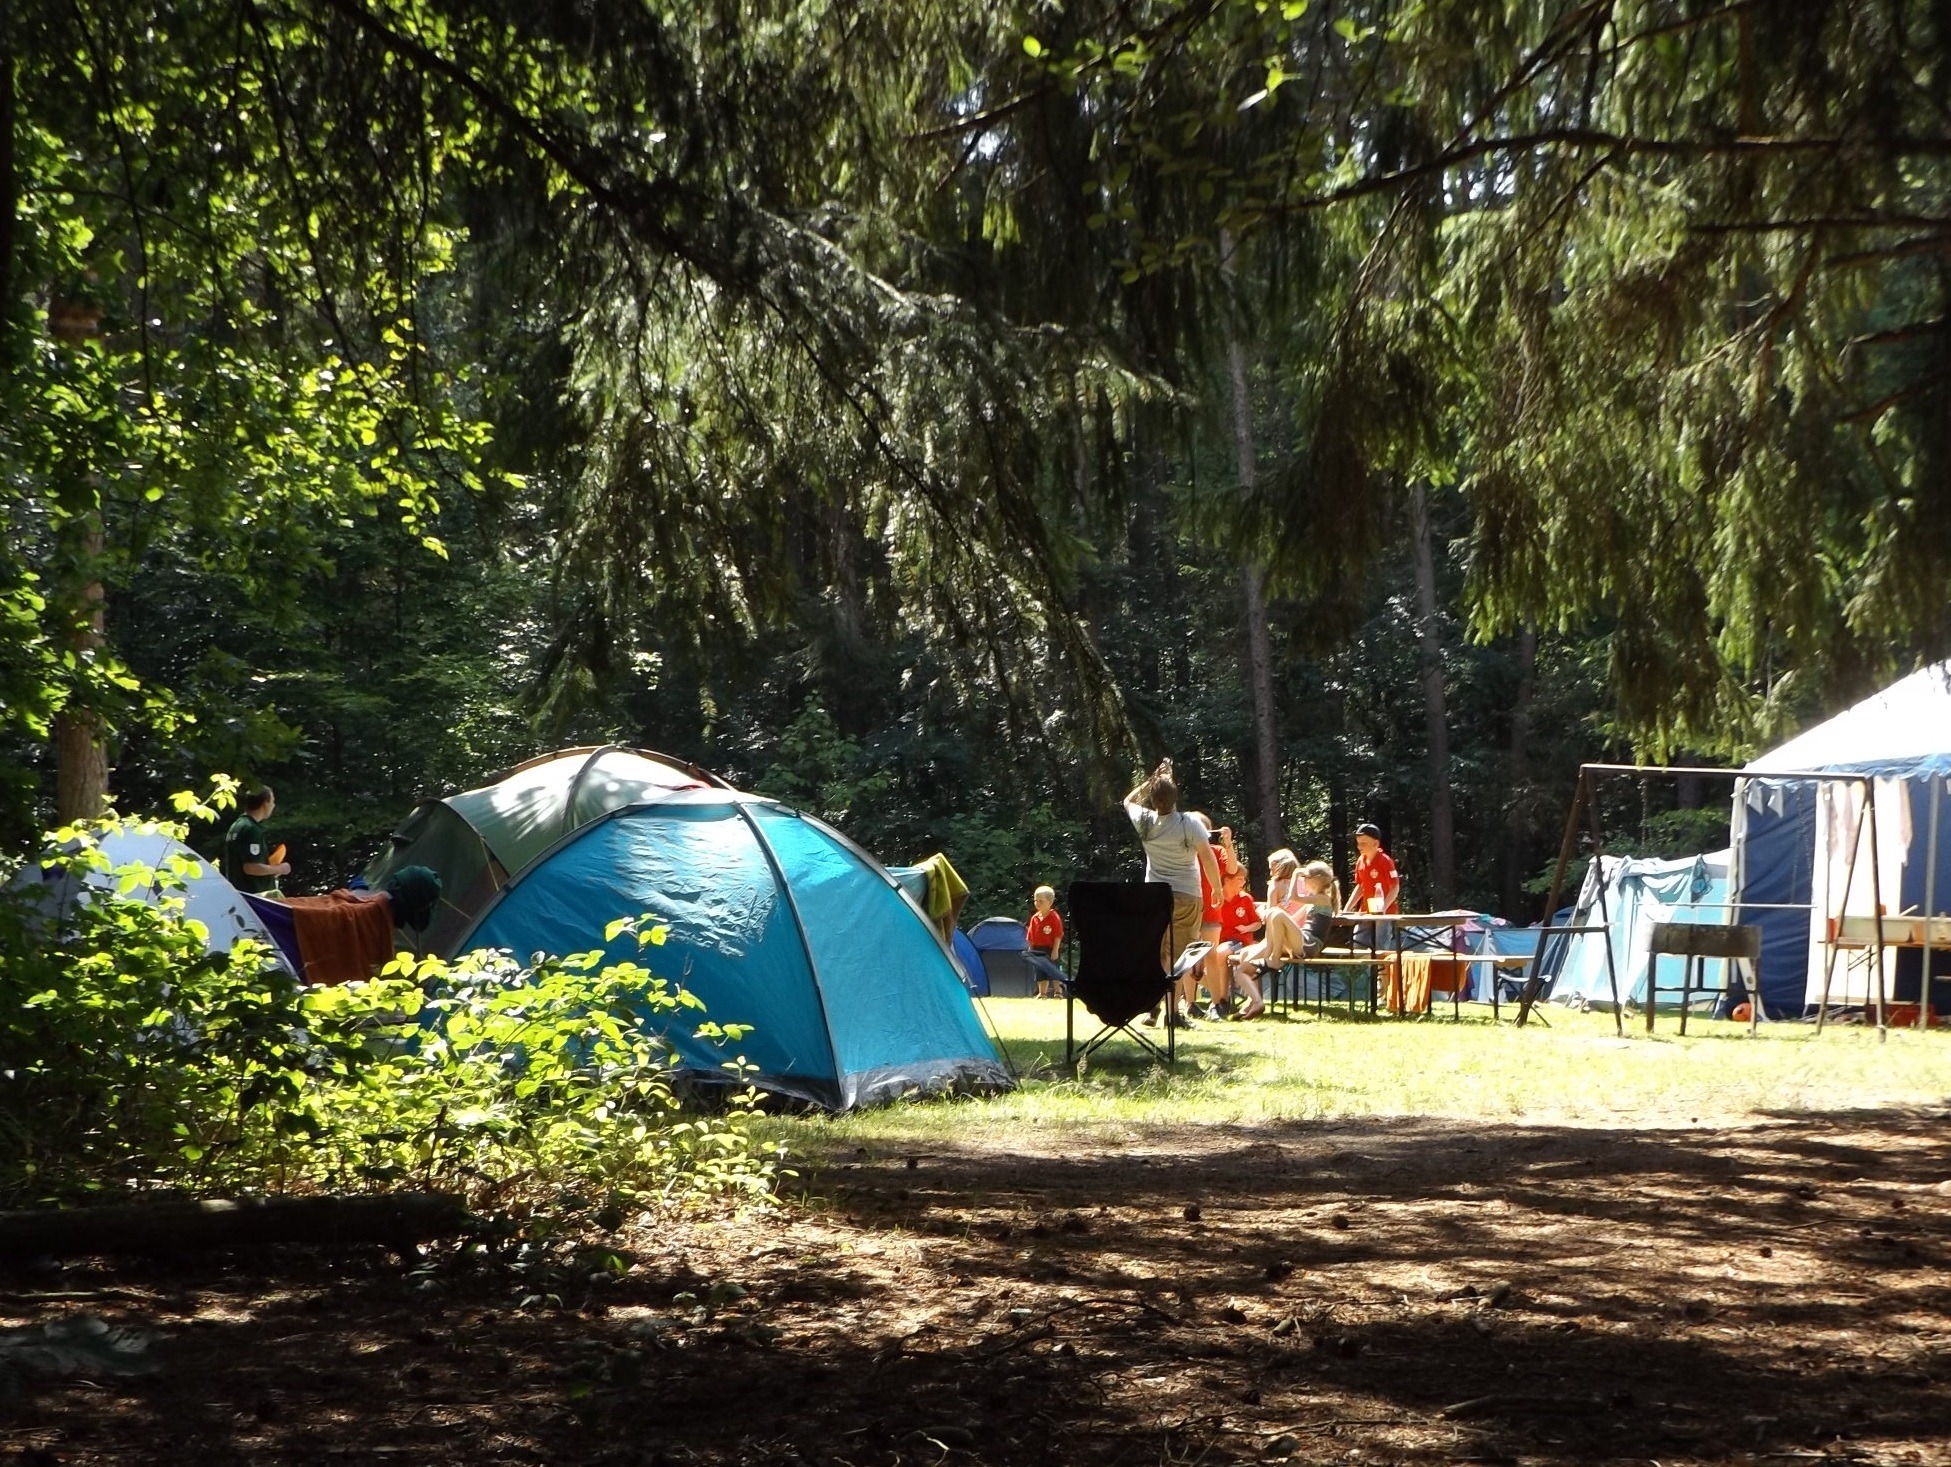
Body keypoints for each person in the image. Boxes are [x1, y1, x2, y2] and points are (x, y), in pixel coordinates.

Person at [1123, 759, 1220, 1027]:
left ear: (1153, 800)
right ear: (1176, 796)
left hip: (1154, 896)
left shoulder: (1144, 821)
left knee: (1160, 954)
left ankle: (1154, 1008)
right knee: (1180, 956)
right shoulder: (1189, 823)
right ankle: (1173, 1015)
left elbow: (1128, 801)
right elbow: (1208, 858)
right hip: (1188, 896)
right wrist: (1218, 889)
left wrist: (1151, 781)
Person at [223, 785, 291, 896]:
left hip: (239, 894)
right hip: (255, 897)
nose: (273, 806)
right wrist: (280, 869)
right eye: (272, 801)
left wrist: (270, 869)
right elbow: (251, 867)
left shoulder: (236, 825)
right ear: (265, 804)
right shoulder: (252, 829)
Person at [1343, 821, 1401, 948]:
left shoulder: (1385, 861)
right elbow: (1360, 887)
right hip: (1365, 912)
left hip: (1384, 914)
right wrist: (1347, 909)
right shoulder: (1360, 861)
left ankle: (1381, 968)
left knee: (1380, 948)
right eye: (1358, 843)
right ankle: (1367, 968)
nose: (1359, 847)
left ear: (1376, 844)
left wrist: (1383, 908)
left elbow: (1395, 887)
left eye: (1363, 843)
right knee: (1358, 945)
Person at [1026, 884, 1065, 999]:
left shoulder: (1054, 917)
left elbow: (1058, 935)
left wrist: (1055, 950)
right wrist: (1030, 948)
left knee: (1054, 971)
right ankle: (1042, 993)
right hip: (1037, 949)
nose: (1037, 903)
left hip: (1051, 948)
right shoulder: (1035, 918)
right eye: (1035, 901)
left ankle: (1058, 992)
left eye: (1041, 901)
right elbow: (1030, 935)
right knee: (1040, 972)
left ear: (1050, 902)